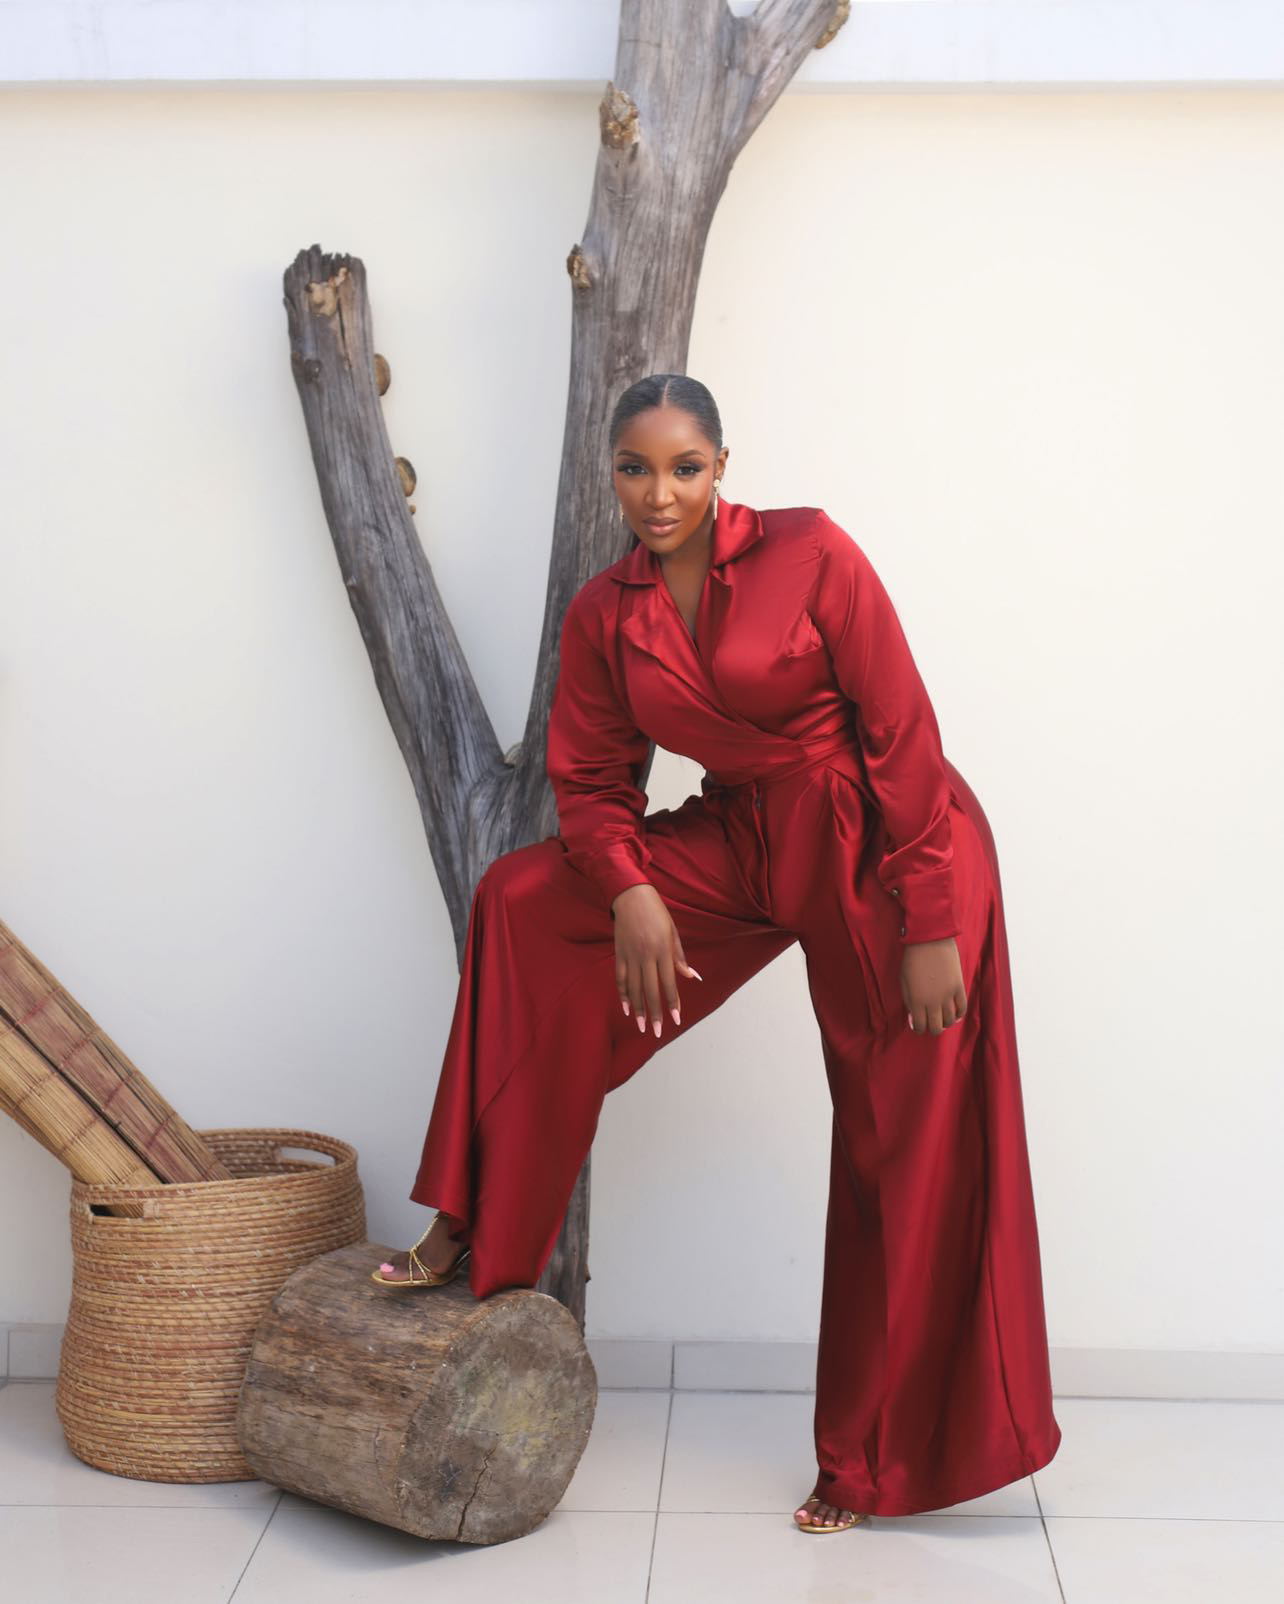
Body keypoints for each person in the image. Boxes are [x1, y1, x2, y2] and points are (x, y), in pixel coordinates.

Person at [372, 373, 1062, 1531]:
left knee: (897, 1146)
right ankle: (476, 1216)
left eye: (684, 467)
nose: (660, 493)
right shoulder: (606, 612)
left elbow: (901, 731)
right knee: (525, 899)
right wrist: (633, 889)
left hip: (884, 845)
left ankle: (869, 1463)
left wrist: (933, 917)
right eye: (636, 468)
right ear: (610, 474)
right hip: (747, 837)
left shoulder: (811, 553)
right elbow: (591, 780)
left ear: (722, 467)